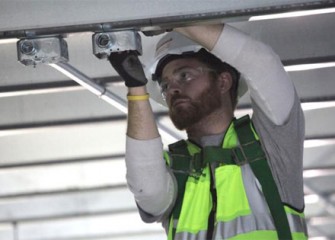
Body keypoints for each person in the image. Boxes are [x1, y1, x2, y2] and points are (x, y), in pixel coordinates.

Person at [109, 23, 308, 239]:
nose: (172, 89)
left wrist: (175, 19)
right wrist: (136, 86)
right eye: (165, 86)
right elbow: (146, 190)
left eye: (184, 75)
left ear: (223, 82)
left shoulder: (273, 145)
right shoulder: (176, 170)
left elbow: (262, 63)